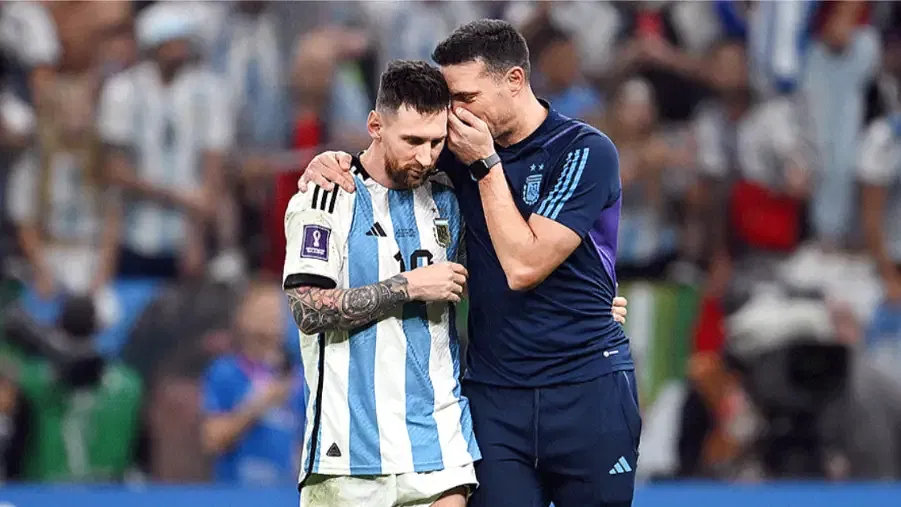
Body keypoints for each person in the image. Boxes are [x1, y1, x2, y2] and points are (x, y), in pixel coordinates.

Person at [297, 19, 637, 507]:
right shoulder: (453, 151)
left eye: (466, 97)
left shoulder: (584, 151)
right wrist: (333, 162)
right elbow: (389, 157)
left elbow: (524, 266)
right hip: (495, 398)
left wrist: (485, 164)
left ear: (514, 81)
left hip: (586, 387)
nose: (453, 114)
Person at [283, 60, 479, 507]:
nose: (426, 157)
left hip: (438, 440)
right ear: (375, 125)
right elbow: (308, 309)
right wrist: (407, 287)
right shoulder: (327, 196)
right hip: (347, 451)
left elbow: (498, 281)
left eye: (435, 142)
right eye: (412, 141)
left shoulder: (447, 199)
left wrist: (579, 308)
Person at [201, 281, 306, 485]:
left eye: (277, 309)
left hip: (285, 495)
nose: (272, 316)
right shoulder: (224, 371)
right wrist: (257, 405)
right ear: (242, 316)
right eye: (262, 308)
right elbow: (211, 440)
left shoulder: (301, 378)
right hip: (236, 494)